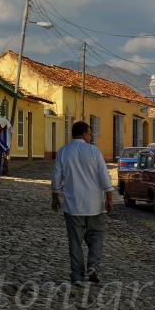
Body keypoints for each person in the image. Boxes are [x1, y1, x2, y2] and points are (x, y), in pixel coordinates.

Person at [51, 121, 114, 285]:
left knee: (75, 241)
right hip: (94, 204)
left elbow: (57, 176)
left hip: (73, 205)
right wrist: (109, 198)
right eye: (90, 134)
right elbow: (104, 176)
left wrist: (55, 196)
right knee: (96, 236)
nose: (90, 137)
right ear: (85, 134)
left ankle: (77, 275)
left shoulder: (63, 152)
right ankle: (93, 265)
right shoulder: (94, 151)